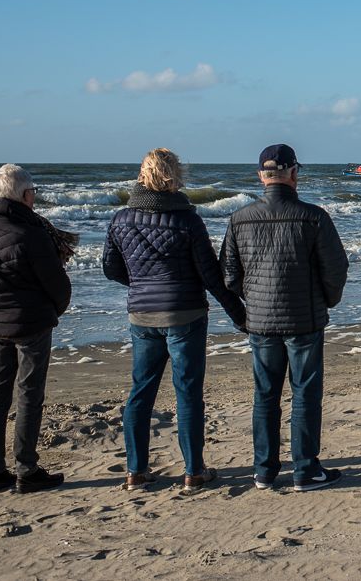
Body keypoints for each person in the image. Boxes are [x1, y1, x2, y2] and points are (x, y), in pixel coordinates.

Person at [103, 148, 246, 492]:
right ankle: (193, 472)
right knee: (188, 393)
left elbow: (111, 268)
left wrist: (140, 283)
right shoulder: (187, 220)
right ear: (174, 176)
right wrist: (241, 315)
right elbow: (211, 276)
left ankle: (136, 471)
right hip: (185, 314)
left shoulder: (121, 220)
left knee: (141, 391)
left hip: (142, 316)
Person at [221, 144, 349, 491]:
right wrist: (328, 301)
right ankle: (305, 470)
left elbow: (230, 276)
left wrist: (255, 300)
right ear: (294, 173)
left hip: (260, 321)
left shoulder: (239, 218)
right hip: (304, 319)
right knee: (304, 393)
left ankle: (264, 470)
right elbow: (336, 269)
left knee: (266, 394)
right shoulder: (314, 216)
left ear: (261, 176)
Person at [0, 164, 71, 494]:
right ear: (25, 195)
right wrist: (54, 308)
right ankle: (26, 468)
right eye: (34, 192)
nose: (35, 197)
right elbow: (56, 282)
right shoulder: (30, 232)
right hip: (30, 322)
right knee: (29, 395)